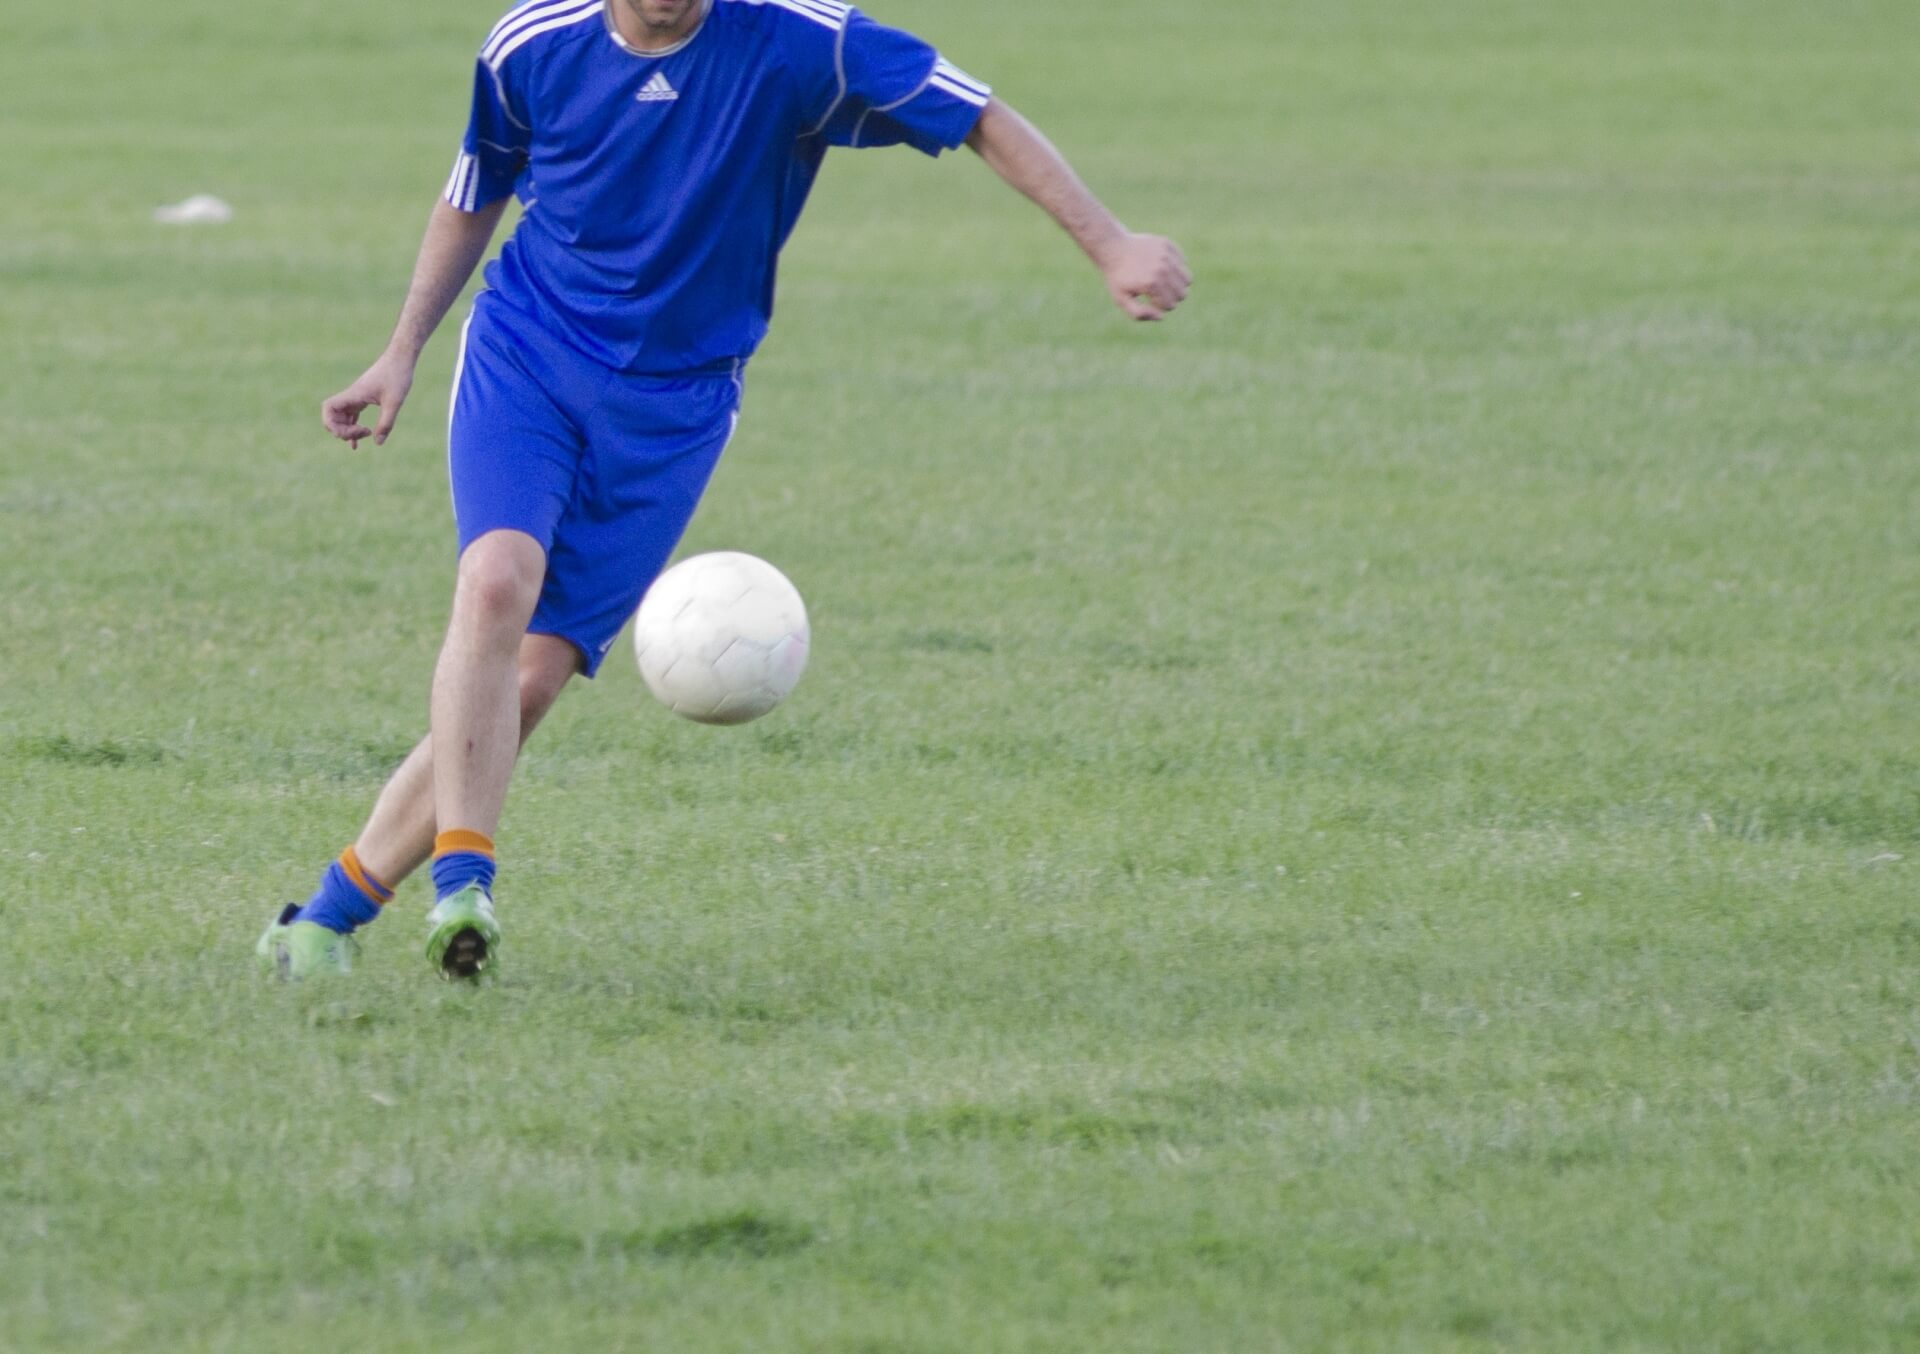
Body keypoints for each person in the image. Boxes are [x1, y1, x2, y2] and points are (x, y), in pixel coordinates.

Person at [258, 0, 1192, 980]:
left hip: (676, 403)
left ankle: (324, 918)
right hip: (530, 348)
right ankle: (463, 887)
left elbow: (977, 114)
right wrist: (400, 350)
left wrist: (1110, 242)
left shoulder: (802, 40)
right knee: (496, 581)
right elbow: (474, 187)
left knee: (531, 677)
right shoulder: (530, 44)